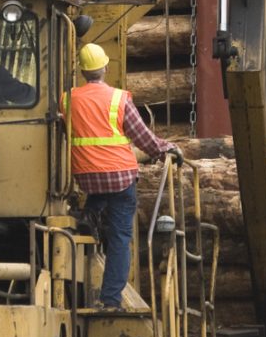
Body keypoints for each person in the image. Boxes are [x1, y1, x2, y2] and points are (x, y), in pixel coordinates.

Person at [64, 42, 181, 309]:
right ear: (105, 67)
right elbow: (144, 139)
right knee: (120, 239)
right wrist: (167, 149)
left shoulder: (67, 99)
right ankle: (110, 300)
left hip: (86, 177)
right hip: (119, 177)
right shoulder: (118, 98)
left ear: (82, 71)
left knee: (99, 197)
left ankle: (90, 214)